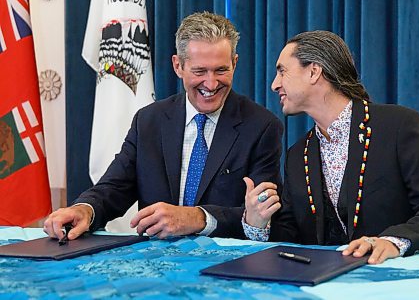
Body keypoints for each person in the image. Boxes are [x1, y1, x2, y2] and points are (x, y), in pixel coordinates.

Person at [44, 12, 283, 241]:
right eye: (199, 71)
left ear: (235, 63)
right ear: (178, 66)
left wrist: (198, 218)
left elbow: (263, 215)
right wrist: (86, 209)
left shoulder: (261, 127)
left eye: (221, 70)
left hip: (226, 265)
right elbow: (115, 187)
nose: (211, 84)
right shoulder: (149, 121)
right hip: (156, 263)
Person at [243, 30, 419, 264]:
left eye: (282, 71)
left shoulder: (400, 126)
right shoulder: (298, 154)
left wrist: (394, 242)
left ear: (314, 71)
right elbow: (293, 239)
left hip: (406, 279)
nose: (274, 85)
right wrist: (258, 224)